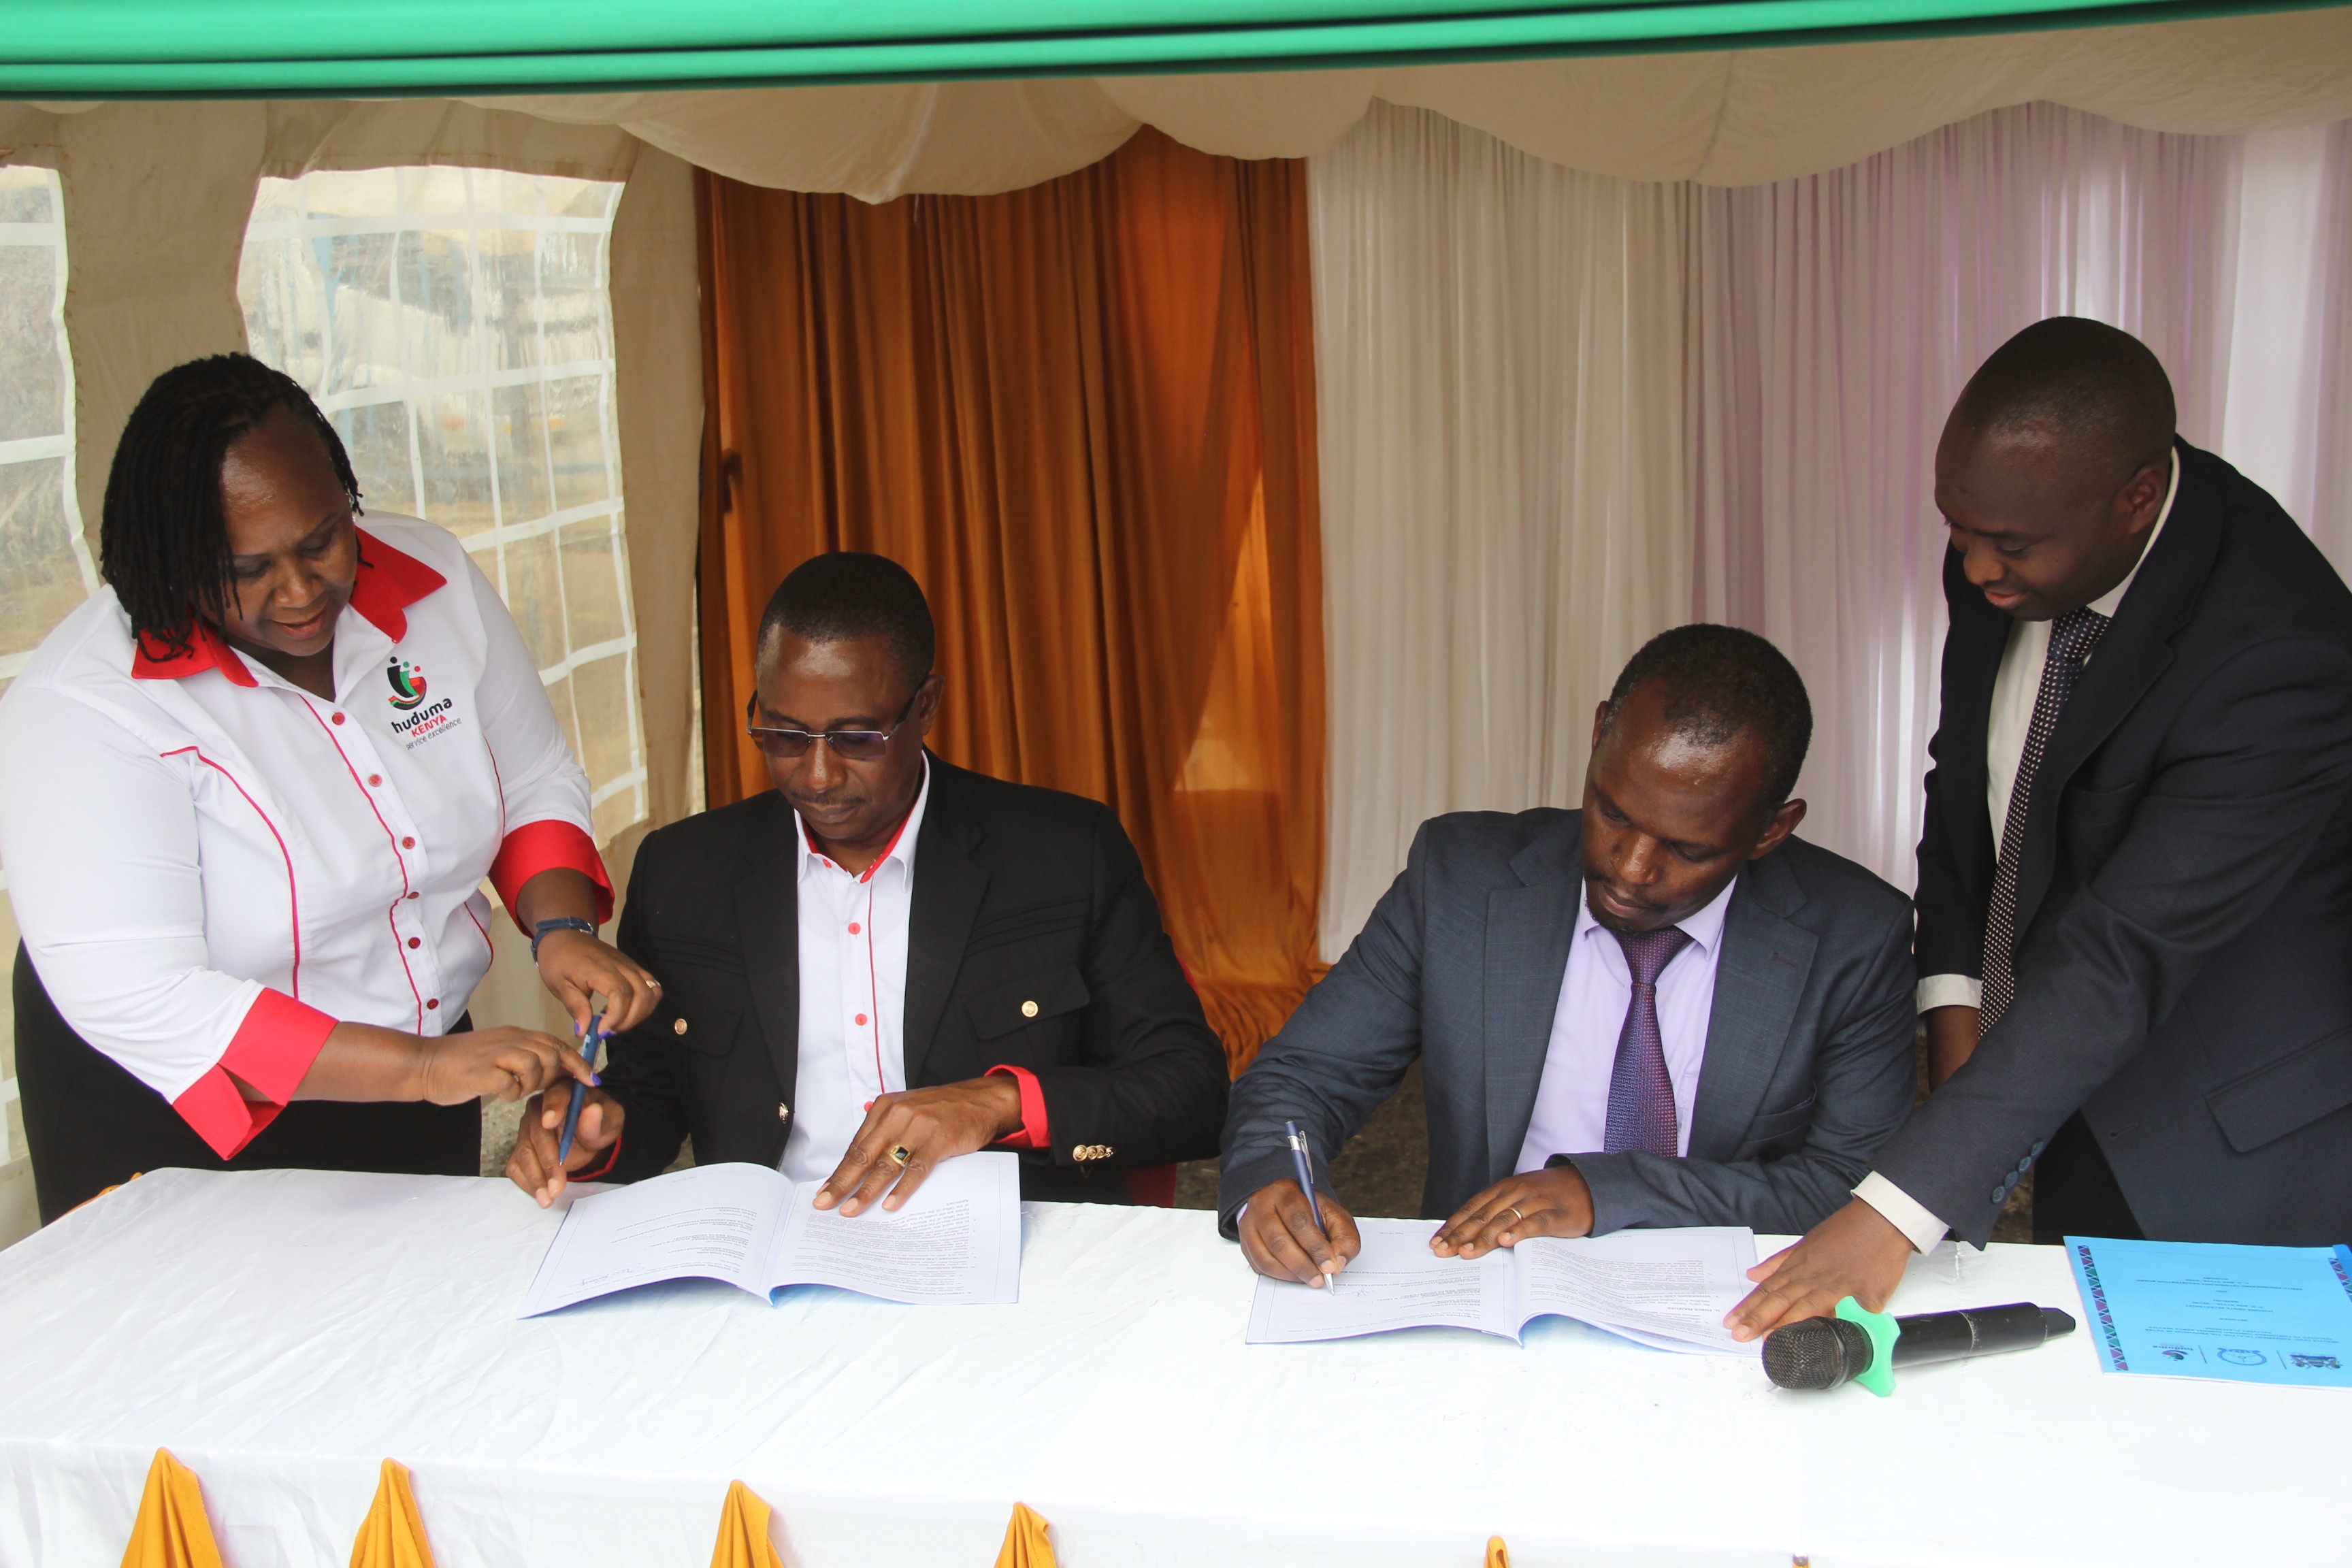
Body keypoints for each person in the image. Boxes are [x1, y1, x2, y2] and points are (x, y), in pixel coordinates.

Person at [1727, 318, 2352, 1341]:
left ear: (2136, 498)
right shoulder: (2015, 543)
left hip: (2238, 1137)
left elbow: (2124, 953)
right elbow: (1970, 785)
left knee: (2225, 1454)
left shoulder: (2280, 659)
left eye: (2005, 546)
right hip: (2064, 1079)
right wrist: (1956, 996)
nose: (1973, 569)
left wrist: (1892, 1208)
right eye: (1957, 529)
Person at [0, 354, 651, 1222]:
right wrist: (420, 1070)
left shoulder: (433, 580)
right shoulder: (86, 706)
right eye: (246, 570)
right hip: (185, 1111)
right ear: (169, 555)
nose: (303, 591)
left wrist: (563, 932)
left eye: (321, 542)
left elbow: (529, 779)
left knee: (416, 1312)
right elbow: (146, 996)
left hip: (421, 1078)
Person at [506, 551, 1228, 1209]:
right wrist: (596, 1132)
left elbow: (1192, 1092)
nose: (817, 775)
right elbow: (649, 1094)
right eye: (785, 736)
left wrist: (1000, 1102)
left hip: (1004, 1246)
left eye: (856, 739)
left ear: (927, 706)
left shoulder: (1064, 854)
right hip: (773, 1250)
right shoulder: (684, 873)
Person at [1223, 625, 1918, 1288]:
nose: (1632, 868)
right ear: (1597, 737)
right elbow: (1307, 1075)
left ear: (1772, 830)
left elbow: (1850, 1186)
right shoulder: (1462, 881)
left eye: (1687, 849)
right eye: (1613, 813)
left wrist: (1605, 1192)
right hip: (1487, 1284)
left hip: (1727, 1300)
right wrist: (1271, 1181)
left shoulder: (1853, 936)